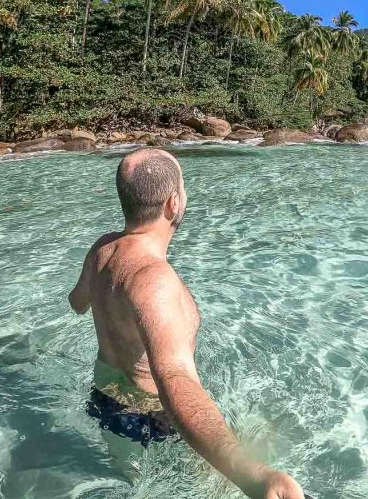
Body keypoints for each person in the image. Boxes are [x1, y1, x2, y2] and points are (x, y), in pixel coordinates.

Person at [68, 147, 304, 499]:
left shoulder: (102, 249)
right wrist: (251, 475)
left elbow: (77, 303)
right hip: (155, 422)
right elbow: (174, 379)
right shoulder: (154, 280)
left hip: (105, 404)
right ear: (173, 203)